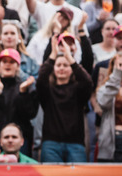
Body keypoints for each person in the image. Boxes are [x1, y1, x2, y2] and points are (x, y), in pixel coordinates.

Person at [37, 34, 93, 163]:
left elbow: (87, 82)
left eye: (65, 65)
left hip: (75, 144)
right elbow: (41, 80)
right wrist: (52, 55)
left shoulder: (78, 90)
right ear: (53, 68)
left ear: (72, 69)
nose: (62, 68)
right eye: (58, 65)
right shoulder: (48, 90)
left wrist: (70, 58)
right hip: (51, 144)